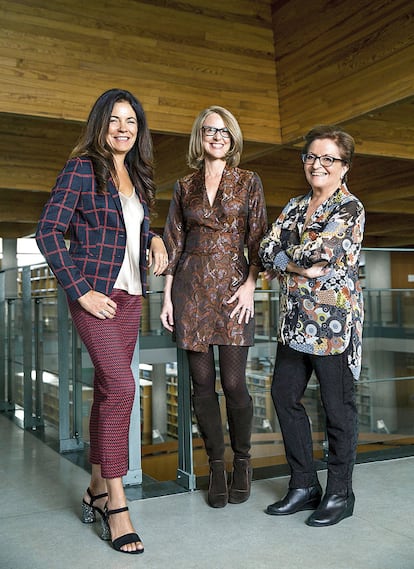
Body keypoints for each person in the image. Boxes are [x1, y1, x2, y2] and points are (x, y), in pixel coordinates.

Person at [36, 88, 168, 553]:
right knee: (125, 387)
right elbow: (48, 231)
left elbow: (135, 227)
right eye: (114, 119)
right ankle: (116, 503)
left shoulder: (138, 175)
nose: (123, 128)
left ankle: (93, 487)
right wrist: (82, 291)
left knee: (111, 391)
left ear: (139, 129)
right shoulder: (82, 169)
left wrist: (153, 242)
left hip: (131, 297)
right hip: (96, 296)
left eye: (131, 121)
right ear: (100, 124)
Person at [160, 105, 267, 508]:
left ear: (233, 138)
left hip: (233, 291)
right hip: (190, 291)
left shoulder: (248, 181)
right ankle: (216, 467)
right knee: (201, 387)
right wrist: (168, 295)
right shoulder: (184, 186)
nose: (217, 136)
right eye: (210, 130)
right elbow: (174, 241)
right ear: (199, 136)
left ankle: (242, 460)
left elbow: (258, 237)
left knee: (234, 384)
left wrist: (251, 286)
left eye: (224, 131)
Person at [259, 125, 365, 527]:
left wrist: (289, 258)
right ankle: (304, 484)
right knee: (284, 396)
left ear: (344, 167)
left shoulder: (349, 208)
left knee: (338, 409)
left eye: (327, 159)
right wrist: (294, 263)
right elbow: (267, 248)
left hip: (333, 325)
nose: (317, 164)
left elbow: (324, 252)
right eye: (311, 157)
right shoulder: (294, 204)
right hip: (293, 323)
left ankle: (341, 492)